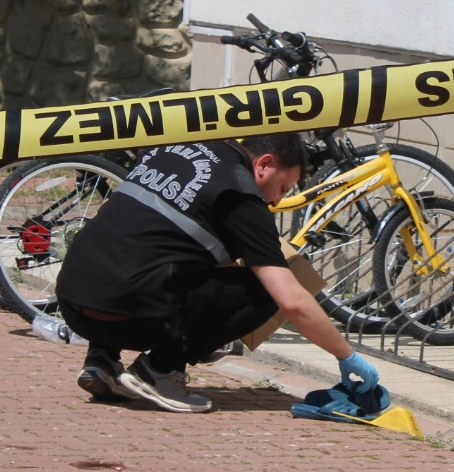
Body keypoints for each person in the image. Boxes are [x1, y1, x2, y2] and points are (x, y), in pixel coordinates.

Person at [55, 133, 379, 413]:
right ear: (264, 164)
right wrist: (347, 356)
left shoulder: (177, 149)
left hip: (73, 303)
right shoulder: (241, 194)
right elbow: (292, 300)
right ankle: (160, 371)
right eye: (283, 187)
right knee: (266, 290)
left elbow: (121, 223)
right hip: (129, 318)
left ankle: (102, 360)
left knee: (136, 251)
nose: (277, 199)